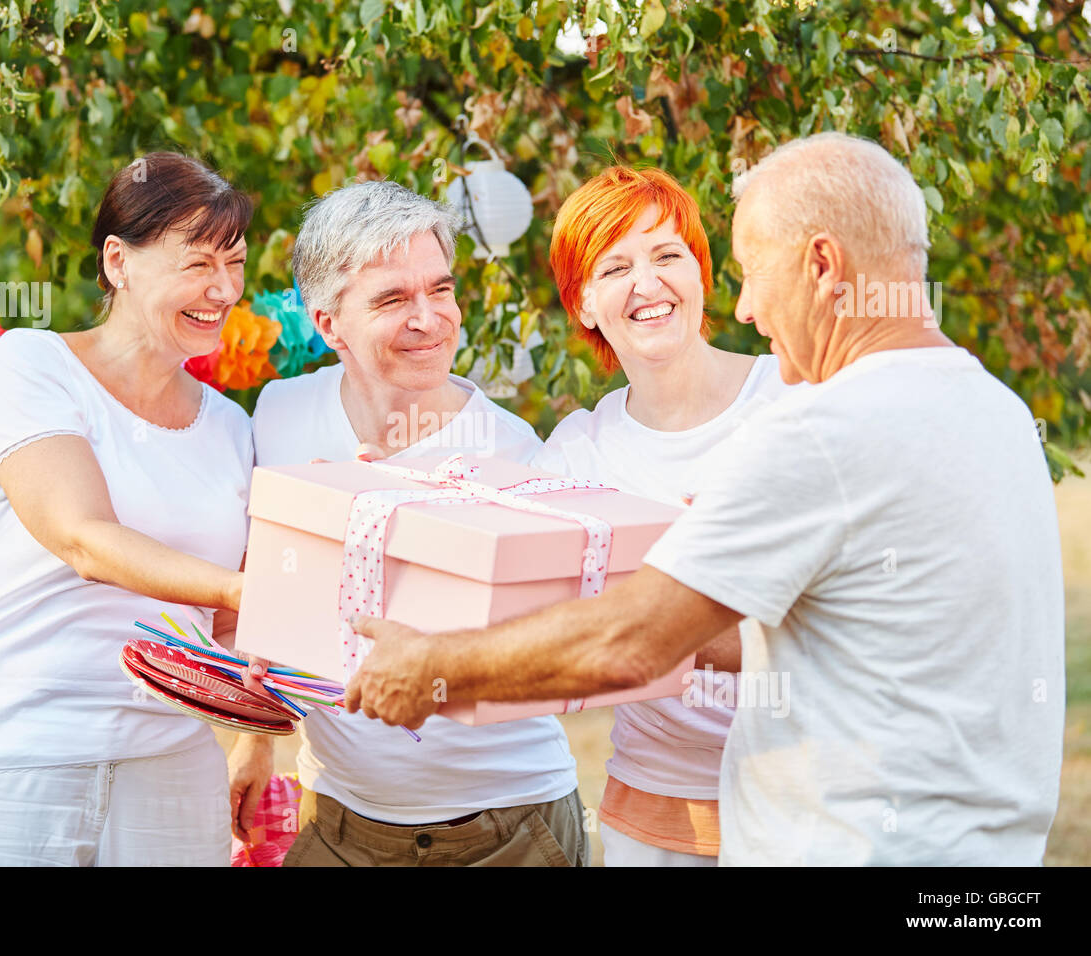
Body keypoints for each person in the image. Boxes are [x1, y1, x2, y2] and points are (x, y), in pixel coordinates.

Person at [347, 132, 1065, 866]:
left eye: (754, 274)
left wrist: (435, 668)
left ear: (821, 265)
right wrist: (412, 496)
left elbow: (632, 642)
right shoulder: (995, 406)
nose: (748, 307)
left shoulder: (819, 429)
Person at [0, 152, 257, 866]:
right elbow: (84, 538)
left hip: (168, 773)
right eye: (199, 263)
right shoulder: (32, 366)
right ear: (118, 262)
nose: (224, 289)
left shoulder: (233, 428)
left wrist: (262, 731)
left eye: (235, 263)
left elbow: (235, 628)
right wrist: (236, 587)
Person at [228, 180, 588, 867]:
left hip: (509, 830)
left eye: (441, 289)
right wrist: (256, 739)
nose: (430, 317)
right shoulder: (279, 414)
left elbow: (556, 658)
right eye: (393, 299)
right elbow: (271, 593)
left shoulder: (515, 454)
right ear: (329, 324)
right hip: (339, 821)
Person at [534, 165, 793, 866]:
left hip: (809, 797)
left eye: (667, 256)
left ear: (703, 277)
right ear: (584, 303)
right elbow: (514, 591)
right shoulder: (577, 456)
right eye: (615, 266)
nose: (647, 285)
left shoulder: (791, 401)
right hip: (654, 813)